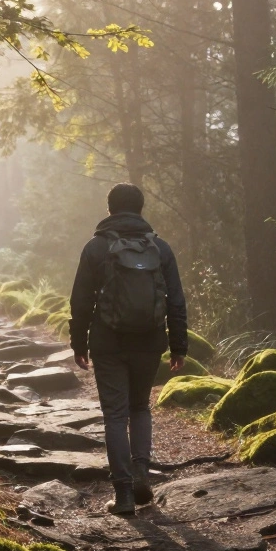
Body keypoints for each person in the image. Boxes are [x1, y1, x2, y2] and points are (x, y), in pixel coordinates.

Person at [69, 183, 188, 515]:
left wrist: (79, 343)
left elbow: (80, 301)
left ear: (109, 209)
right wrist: (178, 345)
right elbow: (176, 301)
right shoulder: (160, 248)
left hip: (108, 342)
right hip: (149, 341)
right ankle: (141, 474)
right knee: (140, 407)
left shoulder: (96, 248)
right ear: (140, 209)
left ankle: (123, 495)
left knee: (115, 415)